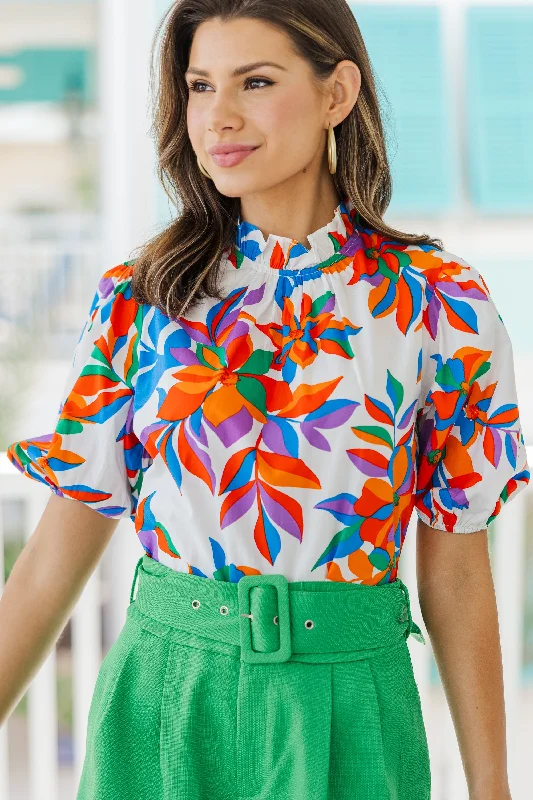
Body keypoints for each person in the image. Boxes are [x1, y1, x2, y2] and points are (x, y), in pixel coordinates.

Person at [1, 1, 529, 798]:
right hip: (165, 701)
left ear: (336, 93)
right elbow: (49, 567)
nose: (220, 116)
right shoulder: (142, 300)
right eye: (200, 86)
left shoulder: (439, 303)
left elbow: (455, 567)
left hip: (351, 705)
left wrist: (492, 791)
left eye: (254, 81)